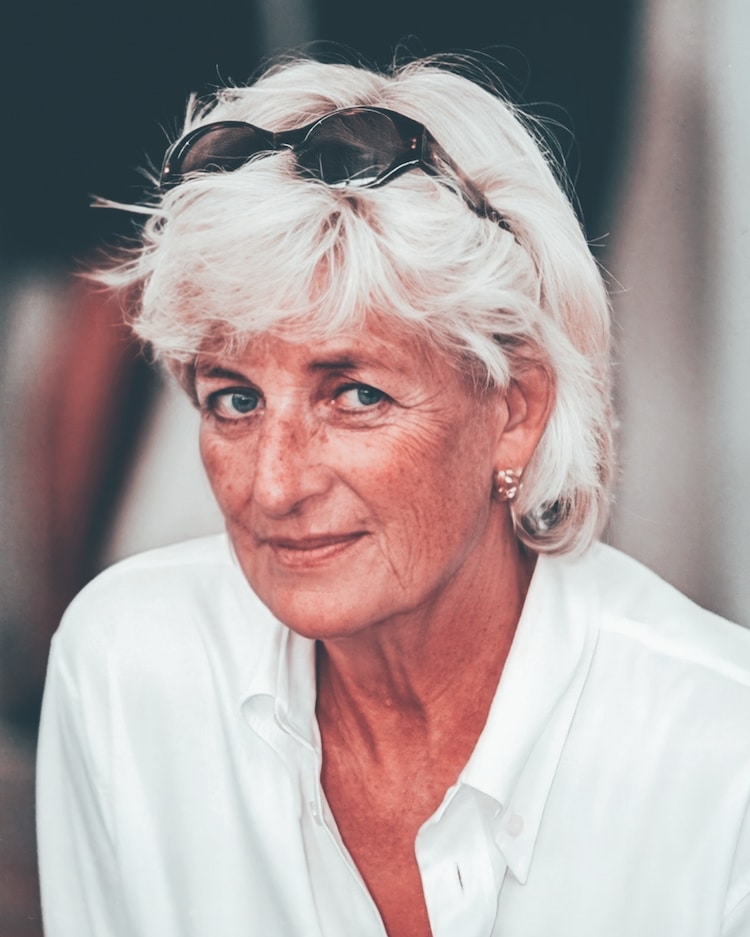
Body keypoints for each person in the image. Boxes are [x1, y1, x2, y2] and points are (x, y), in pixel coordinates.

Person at [36, 52, 750, 937]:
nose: (275, 484)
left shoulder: (722, 756)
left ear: (517, 410)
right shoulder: (127, 668)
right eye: (236, 399)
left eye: (357, 394)